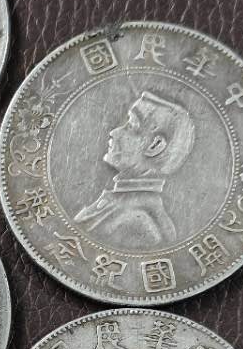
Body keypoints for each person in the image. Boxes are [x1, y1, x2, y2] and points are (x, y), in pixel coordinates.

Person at [74, 91, 195, 247]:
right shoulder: (124, 207)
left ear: (155, 145)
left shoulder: (138, 222)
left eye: (131, 125)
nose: (114, 132)